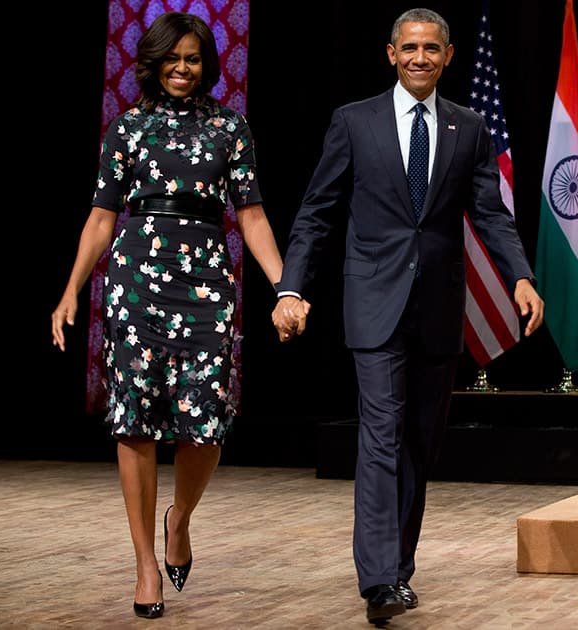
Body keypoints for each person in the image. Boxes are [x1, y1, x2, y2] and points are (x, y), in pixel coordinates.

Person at [272, 7, 544, 625]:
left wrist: (520, 276)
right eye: (409, 48)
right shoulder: (354, 122)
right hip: (373, 304)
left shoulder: (468, 127)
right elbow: (317, 213)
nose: (420, 58)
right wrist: (292, 289)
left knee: (419, 443)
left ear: (448, 56)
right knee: (381, 438)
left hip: (440, 310)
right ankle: (379, 581)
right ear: (390, 54)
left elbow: (491, 214)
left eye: (431, 48)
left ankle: (398, 570)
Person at [50, 12, 287, 620]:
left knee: (204, 424)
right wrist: (73, 288)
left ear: (207, 65)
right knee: (133, 421)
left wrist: (287, 288)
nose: (184, 69)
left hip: (208, 281)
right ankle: (144, 563)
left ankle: (178, 519)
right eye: (173, 59)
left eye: (195, 59)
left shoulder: (229, 128)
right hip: (136, 283)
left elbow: (252, 216)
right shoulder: (127, 129)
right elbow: (102, 216)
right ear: (154, 62)